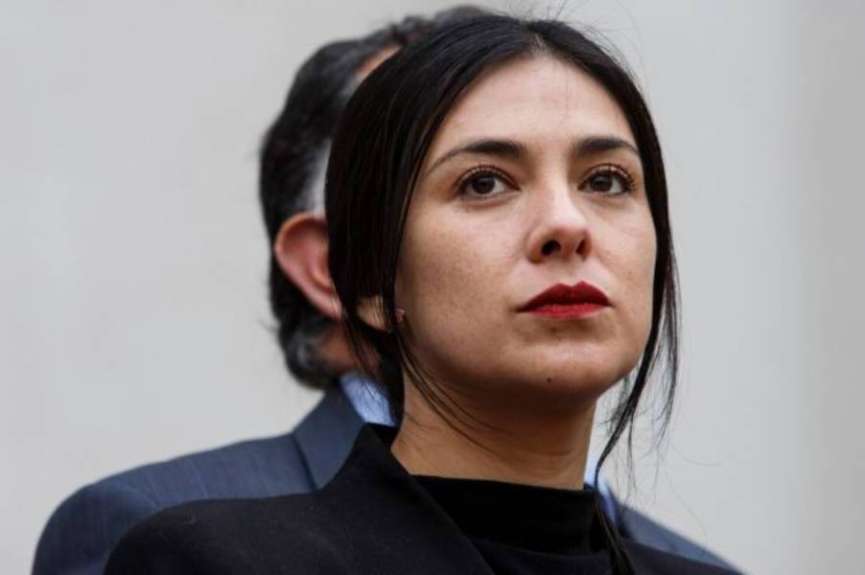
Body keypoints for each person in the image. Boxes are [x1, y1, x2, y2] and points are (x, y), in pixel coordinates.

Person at [104, 14, 741, 575]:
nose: (566, 224)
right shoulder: (215, 561)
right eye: (484, 183)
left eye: (606, 180)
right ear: (366, 283)